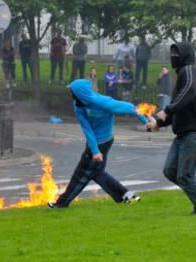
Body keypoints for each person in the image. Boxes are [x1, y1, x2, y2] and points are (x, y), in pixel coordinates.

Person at [48, 79, 146, 209]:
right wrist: (94, 150)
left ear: (80, 93)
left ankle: (61, 204)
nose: (71, 95)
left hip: (104, 142)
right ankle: (127, 195)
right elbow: (87, 129)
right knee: (96, 172)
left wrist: (145, 121)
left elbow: (130, 108)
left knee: (81, 175)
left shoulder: (104, 103)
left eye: (73, 93)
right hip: (95, 143)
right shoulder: (78, 105)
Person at [148, 41, 196, 215]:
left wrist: (167, 110)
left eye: (177, 54)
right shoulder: (183, 75)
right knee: (170, 170)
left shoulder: (189, 72)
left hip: (195, 134)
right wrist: (159, 123)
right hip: (184, 135)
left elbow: (187, 94)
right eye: (172, 54)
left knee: (184, 175)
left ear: (186, 55)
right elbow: (180, 107)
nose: (173, 57)